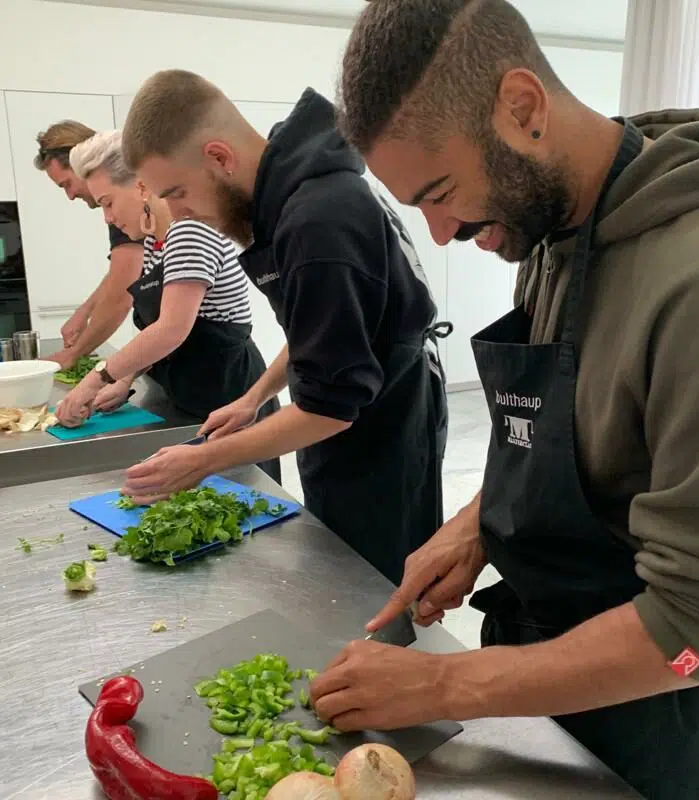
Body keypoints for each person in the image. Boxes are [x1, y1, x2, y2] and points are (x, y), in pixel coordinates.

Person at [309, 2, 699, 799]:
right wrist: (478, 523)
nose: (441, 233)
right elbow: (572, 429)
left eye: (441, 192)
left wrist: (442, 685)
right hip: (546, 671)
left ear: (523, 108)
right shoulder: (551, 231)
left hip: (666, 710)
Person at [118, 70, 450, 586]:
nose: (178, 214)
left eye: (178, 193)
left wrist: (202, 461)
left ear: (219, 158)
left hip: (384, 428)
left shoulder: (319, 219)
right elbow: (317, 331)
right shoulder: (292, 198)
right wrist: (254, 397)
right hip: (348, 420)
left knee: (371, 583)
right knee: (336, 561)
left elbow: (331, 407)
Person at [55, 130, 281, 484]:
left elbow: (172, 328)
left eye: (108, 203)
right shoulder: (155, 241)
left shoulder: (190, 230)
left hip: (228, 397)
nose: (107, 218)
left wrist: (95, 379)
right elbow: (157, 326)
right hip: (191, 395)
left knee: (240, 502)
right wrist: (125, 378)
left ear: (141, 186)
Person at [34, 120, 143, 369]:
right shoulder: (120, 209)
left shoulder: (129, 208)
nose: (70, 196)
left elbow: (121, 293)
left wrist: (75, 353)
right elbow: (121, 274)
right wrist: (84, 311)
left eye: (66, 184)